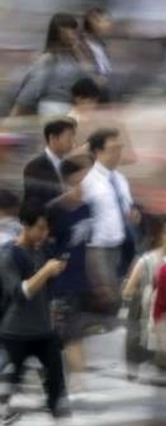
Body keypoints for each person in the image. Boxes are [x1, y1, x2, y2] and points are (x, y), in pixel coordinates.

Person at [0, 208, 68, 426]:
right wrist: (47, 271)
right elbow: (21, 294)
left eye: (47, 228)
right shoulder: (8, 256)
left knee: (56, 381)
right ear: (25, 225)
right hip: (15, 332)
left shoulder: (40, 251)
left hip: (42, 330)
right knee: (9, 381)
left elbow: (43, 291)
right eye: (40, 228)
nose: (44, 233)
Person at [44, 155, 96, 397]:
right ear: (70, 179)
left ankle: (70, 380)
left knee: (72, 333)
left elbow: (87, 246)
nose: (87, 180)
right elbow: (42, 244)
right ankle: (79, 384)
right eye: (83, 176)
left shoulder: (86, 207)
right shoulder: (54, 210)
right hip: (60, 284)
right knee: (70, 334)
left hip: (80, 281)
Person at [80, 128, 136, 320]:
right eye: (113, 149)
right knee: (107, 297)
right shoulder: (88, 182)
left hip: (122, 245)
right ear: (97, 152)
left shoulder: (120, 179)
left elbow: (126, 209)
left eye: (119, 148)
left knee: (123, 294)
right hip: (98, 249)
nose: (118, 153)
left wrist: (132, 216)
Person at [122, 214, 166, 382]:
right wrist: (147, 292)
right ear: (163, 235)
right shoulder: (146, 261)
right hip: (147, 318)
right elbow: (127, 292)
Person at [9, 13, 91, 117]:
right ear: (60, 32)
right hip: (54, 109)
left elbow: (87, 80)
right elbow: (33, 87)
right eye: (70, 30)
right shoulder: (49, 59)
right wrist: (15, 113)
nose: (74, 34)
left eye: (74, 30)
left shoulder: (74, 58)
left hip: (74, 109)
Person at [20, 118, 77, 219]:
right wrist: (64, 198)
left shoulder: (71, 165)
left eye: (73, 138)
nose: (73, 143)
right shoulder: (35, 167)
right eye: (69, 138)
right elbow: (35, 202)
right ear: (53, 138)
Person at [79, 8, 114, 93]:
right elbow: (81, 67)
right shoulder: (80, 44)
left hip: (102, 88)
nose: (109, 24)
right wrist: (94, 78)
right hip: (88, 90)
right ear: (93, 22)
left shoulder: (101, 44)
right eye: (105, 21)